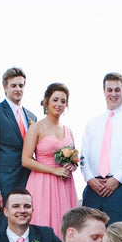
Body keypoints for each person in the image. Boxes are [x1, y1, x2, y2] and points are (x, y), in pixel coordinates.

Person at [0, 67, 37, 238]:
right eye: (13, 85)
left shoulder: (31, 116)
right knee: (1, 232)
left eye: (21, 85)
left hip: (28, 182)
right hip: (2, 185)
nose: (18, 89)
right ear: (5, 87)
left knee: (26, 231)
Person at [81, 72, 122, 225]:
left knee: (121, 239)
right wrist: (90, 179)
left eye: (117, 89)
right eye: (109, 90)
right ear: (104, 92)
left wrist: (116, 179)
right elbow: (83, 155)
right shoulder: (93, 123)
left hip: (120, 188)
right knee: (90, 237)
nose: (113, 94)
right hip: (93, 189)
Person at [22, 82, 79, 233]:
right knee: (43, 227)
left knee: (66, 226)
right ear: (47, 101)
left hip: (65, 185)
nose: (59, 104)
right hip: (42, 183)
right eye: (55, 99)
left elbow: (73, 158)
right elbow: (26, 160)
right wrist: (54, 171)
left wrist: (72, 166)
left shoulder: (69, 131)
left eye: (63, 101)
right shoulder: (36, 127)